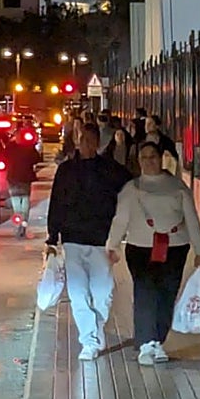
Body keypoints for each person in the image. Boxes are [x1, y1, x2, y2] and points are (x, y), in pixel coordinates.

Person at [107, 141, 200, 366]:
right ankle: (145, 343)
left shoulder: (178, 187)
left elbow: (192, 219)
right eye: (144, 157)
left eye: (153, 156)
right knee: (145, 293)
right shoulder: (132, 189)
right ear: (138, 161)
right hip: (140, 247)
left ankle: (158, 341)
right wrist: (112, 245)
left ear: (162, 158)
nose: (149, 161)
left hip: (175, 248)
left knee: (167, 294)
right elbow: (120, 219)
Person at [45, 124, 133, 361]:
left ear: (97, 143)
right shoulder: (66, 171)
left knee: (103, 293)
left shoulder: (111, 171)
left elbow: (130, 191)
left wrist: (121, 233)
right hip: (73, 240)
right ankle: (89, 340)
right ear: (78, 140)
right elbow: (56, 203)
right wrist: (52, 238)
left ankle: (95, 331)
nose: (87, 145)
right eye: (83, 140)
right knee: (78, 293)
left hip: (101, 241)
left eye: (91, 140)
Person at [5, 129, 42, 238]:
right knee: (25, 203)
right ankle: (23, 225)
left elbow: (4, 156)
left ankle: (19, 225)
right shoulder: (28, 148)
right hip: (25, 180)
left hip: (13, 179)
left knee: (17, 205)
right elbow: (37, 158)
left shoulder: (10, 147)